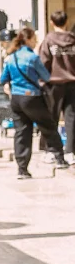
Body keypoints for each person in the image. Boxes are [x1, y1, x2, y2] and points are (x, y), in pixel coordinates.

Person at [0, 28, 67, 177]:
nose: (36, 41)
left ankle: (22, 169)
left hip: (16, 99)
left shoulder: (11, 57)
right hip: (32, 97)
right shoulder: (32, 58)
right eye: (34, 38)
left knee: (22, 132)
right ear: (28, 39)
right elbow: (45, 76)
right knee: (48, 126)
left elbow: (3, 78)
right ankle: (59, 158)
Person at [39, 10, 75, 157]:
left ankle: (51, 150)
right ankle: (70, 151)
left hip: (53, 84)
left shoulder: (49, 40)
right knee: (71, 118)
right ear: (66, 22)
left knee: (50, 118)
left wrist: (41, 81)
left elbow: (43, 63)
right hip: (72, 83)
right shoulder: (73, 39)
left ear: (52, 22)